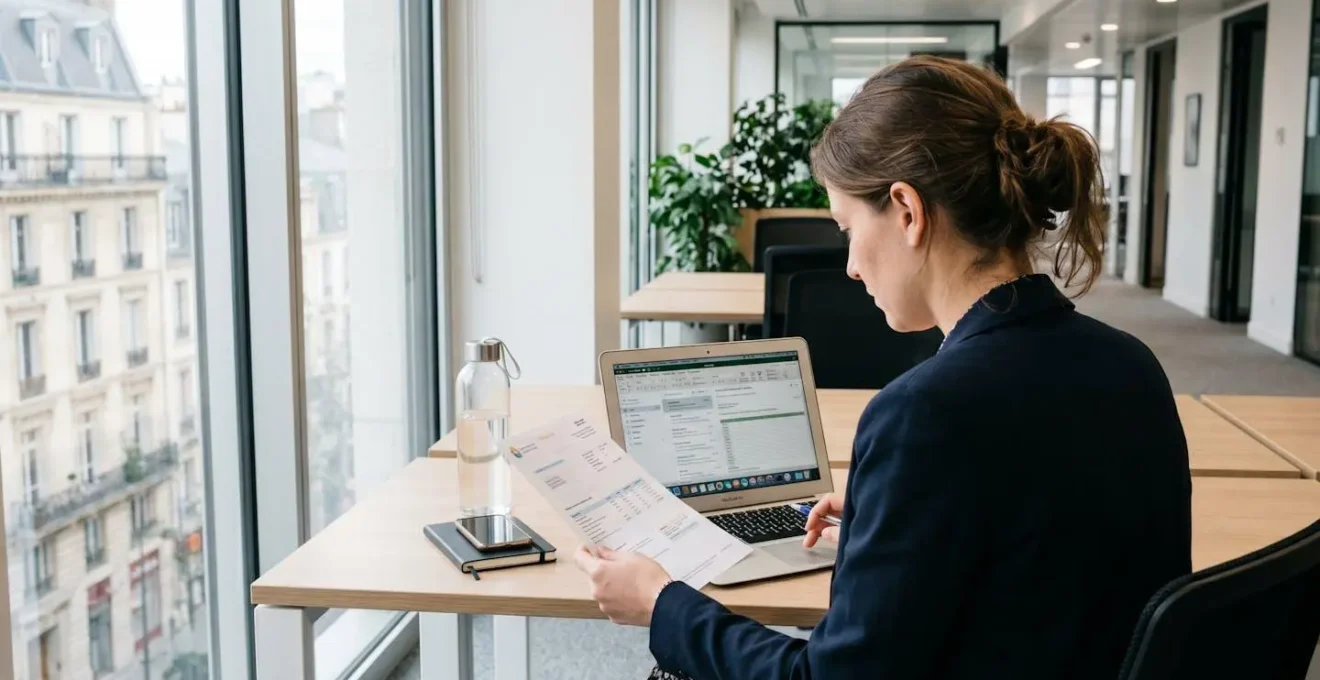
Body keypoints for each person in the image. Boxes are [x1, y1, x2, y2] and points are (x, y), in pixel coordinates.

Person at [573, 56, 1192, 679]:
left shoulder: (925, 412)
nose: (850, 267)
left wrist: (661, 606)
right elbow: (1044, 533)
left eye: (847, 229)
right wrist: (900, 506)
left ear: (907, 211)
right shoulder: (1131, 363)